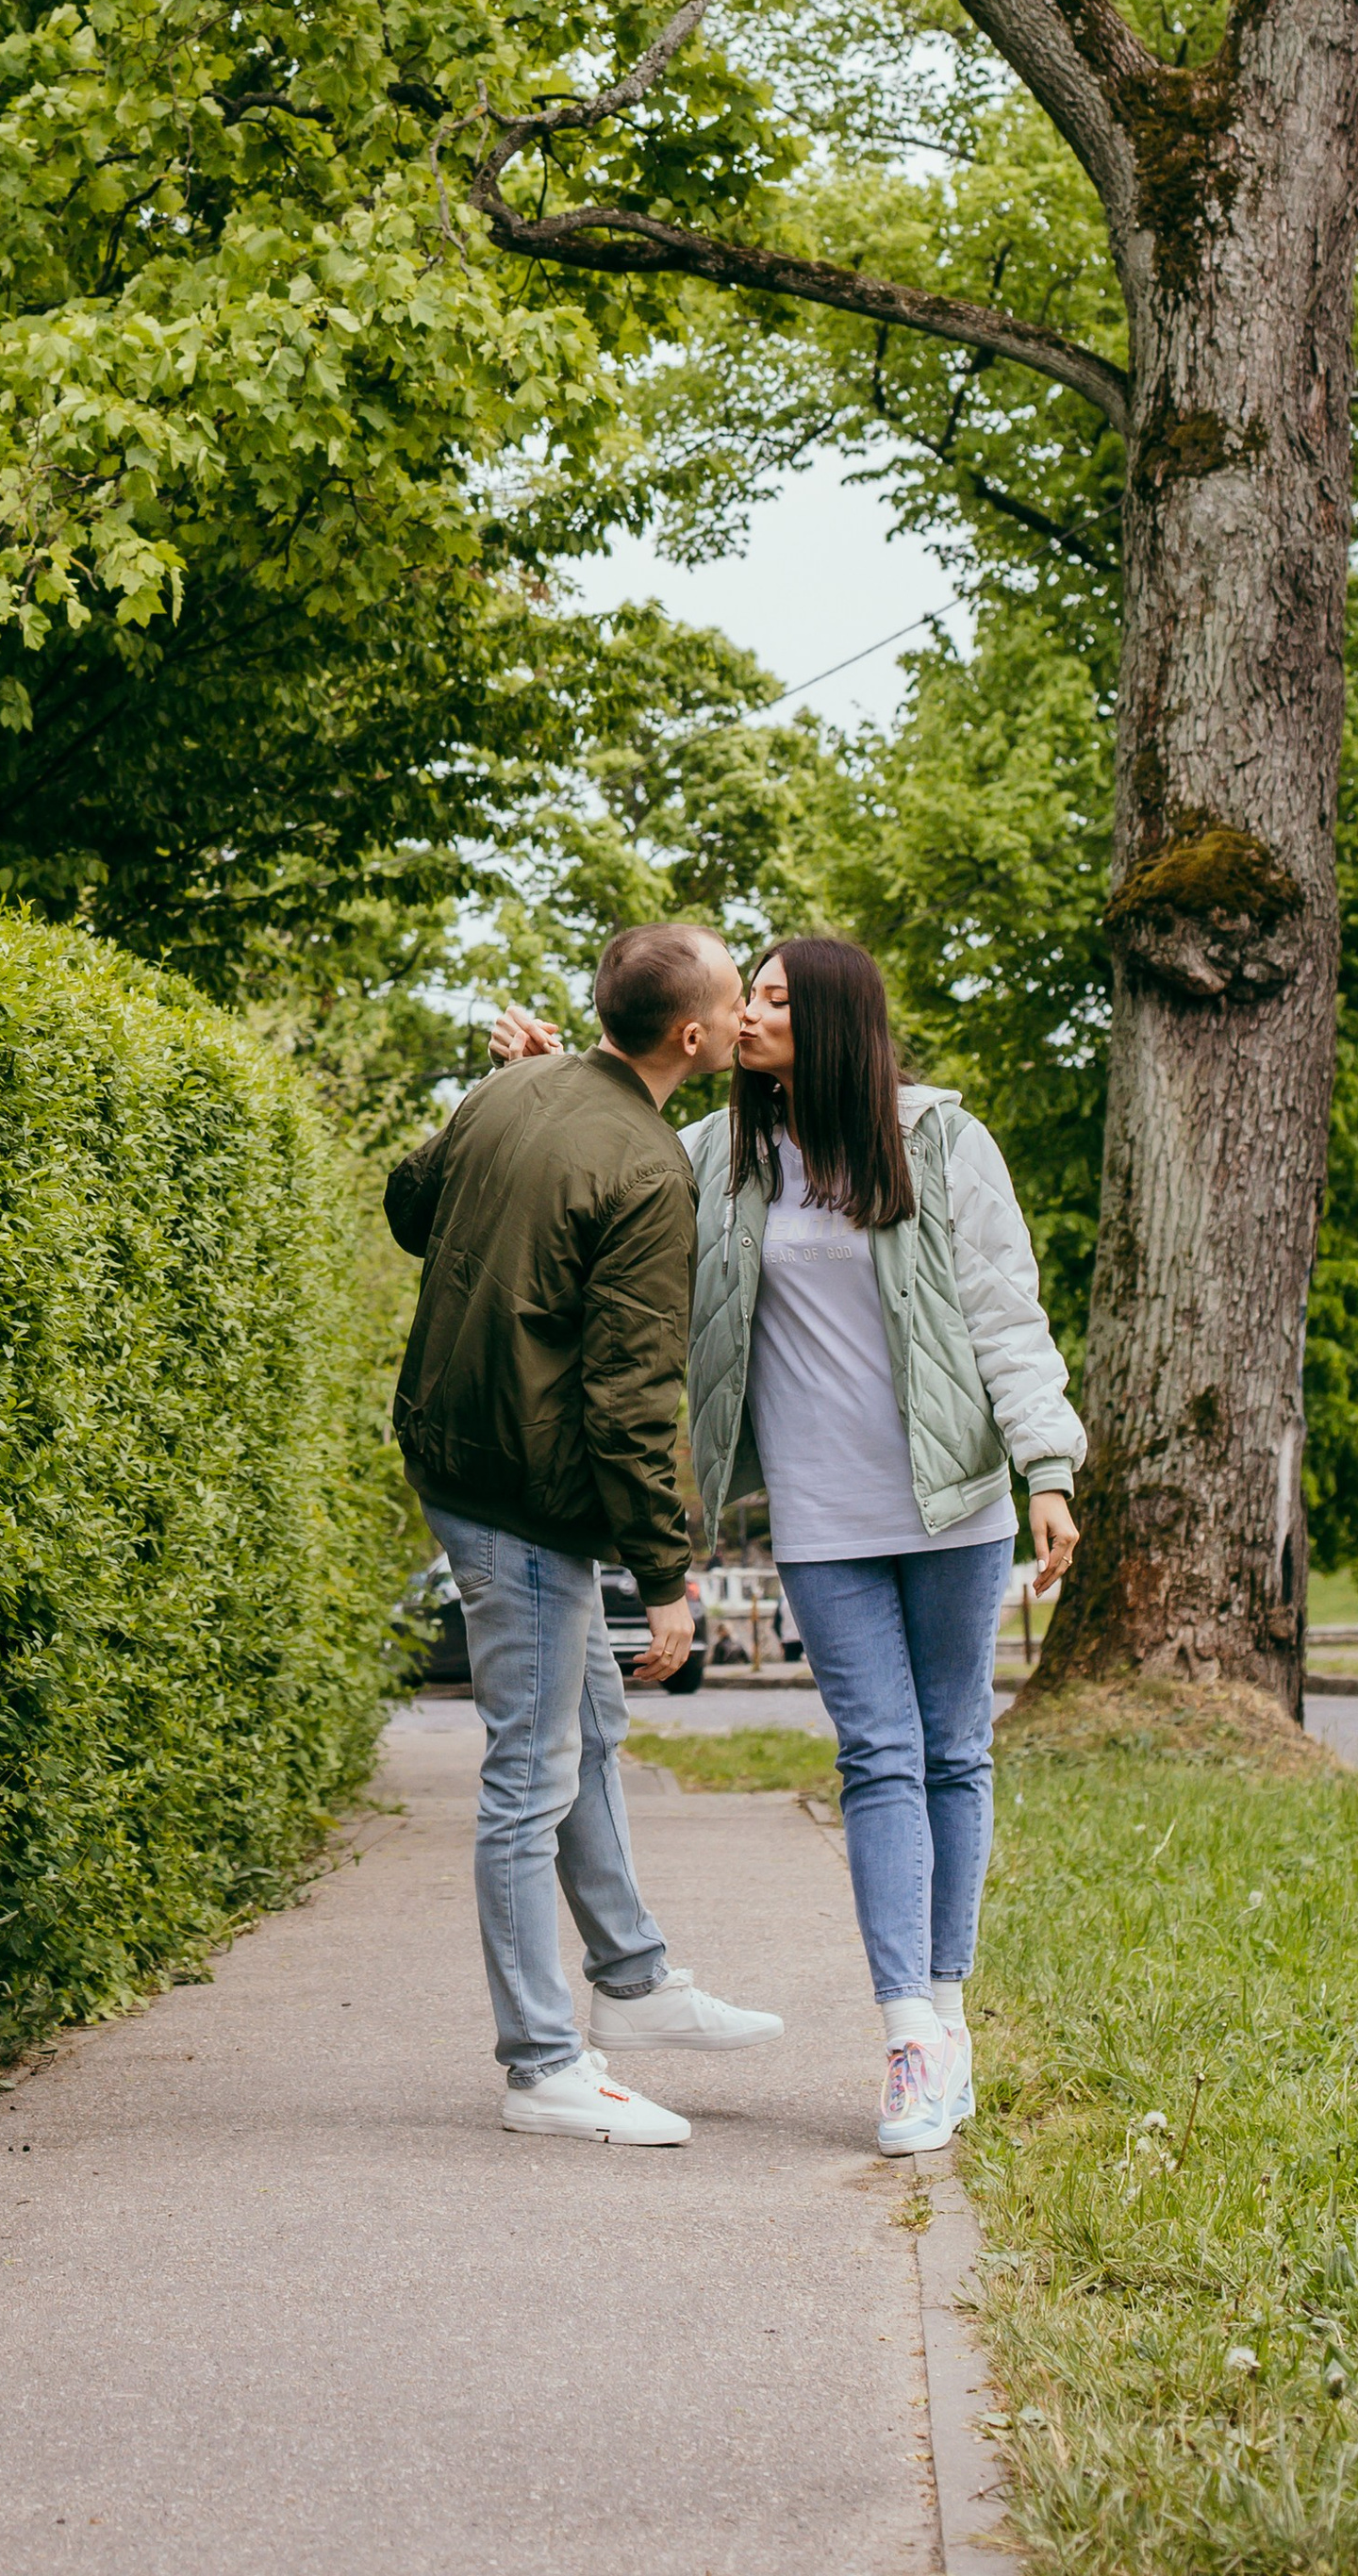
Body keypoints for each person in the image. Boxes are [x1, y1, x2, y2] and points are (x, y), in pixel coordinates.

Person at [493, 934, 1085, 2161]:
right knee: (879, 1756)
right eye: (743, 997)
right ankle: (908, 2032)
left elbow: (1003, 1310)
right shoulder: (718, 1157)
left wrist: (1048, 1466)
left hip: (953, 1500)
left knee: (954, 1748)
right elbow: (604, 1152)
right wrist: (553, 1076)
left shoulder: (940, 1141)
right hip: (825, 1519)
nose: (744, 1017)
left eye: (768, 999)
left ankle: (950, 2009)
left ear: (830, 1018)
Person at [387, 922, 787, 2148]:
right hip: (517, 1492)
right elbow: (630, 1398)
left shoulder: (518, 1087)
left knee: (587, 1720)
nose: (740, 1019)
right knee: (529, 1769)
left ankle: (631, 1979)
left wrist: (512, 1093)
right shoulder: (652, 1168)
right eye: (733, 1001)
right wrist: (669, 1581)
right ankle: (544, 2063)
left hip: (461, 1453)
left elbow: (411, 1204)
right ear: (694, 1034)